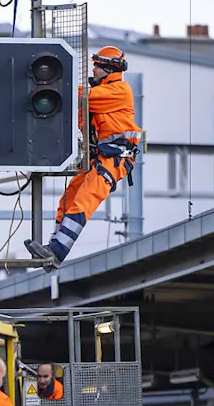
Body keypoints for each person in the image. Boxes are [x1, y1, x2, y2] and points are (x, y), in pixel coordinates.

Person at [25, 46, 142, 271]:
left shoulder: (118, 91)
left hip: (114, 159)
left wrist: (51, 86)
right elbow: (80, 117)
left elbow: (82, 98)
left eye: (98, 66)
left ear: (108, 68)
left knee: (83, 202)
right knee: (67, 201)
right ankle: (52, 248)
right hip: (98, 158)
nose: (94, 69)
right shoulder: (102, 92)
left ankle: (57, 253)